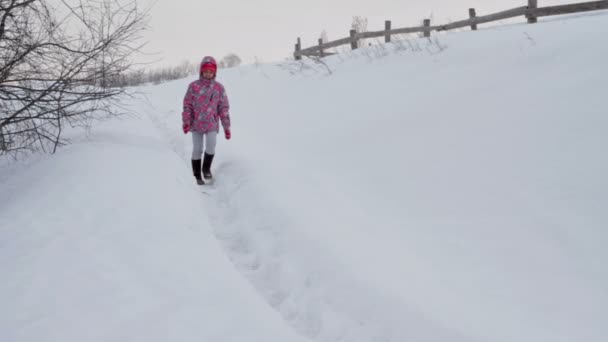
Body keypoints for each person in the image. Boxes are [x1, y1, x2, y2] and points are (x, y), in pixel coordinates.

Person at [181, 56, 231, 185]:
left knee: (211, 145)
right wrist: (186, 121)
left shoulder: (219, 88)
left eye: (211, 71)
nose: (208, 74)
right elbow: (187, 105)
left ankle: (206, 168)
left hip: (211, 123)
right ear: (201, 71)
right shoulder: (193, 86)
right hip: (196, 123)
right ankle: (197, 175)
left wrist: (226, 127)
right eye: (206, 71)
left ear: (214, 72)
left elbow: (223, 107)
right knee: (197, 149)